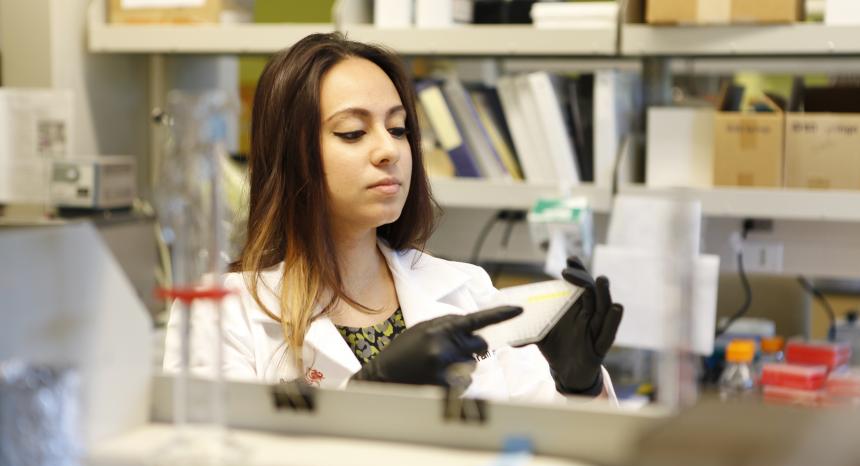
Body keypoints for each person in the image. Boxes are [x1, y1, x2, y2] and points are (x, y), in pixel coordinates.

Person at [163, 32, 623, 403]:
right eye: (353, 132)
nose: (389, 150)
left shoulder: (467, 291)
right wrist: (368, 398)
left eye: (398, 128)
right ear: (291, 155)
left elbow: (558, 459)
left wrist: (580, 389)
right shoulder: (222, 314)